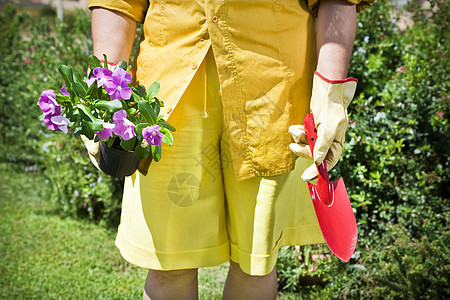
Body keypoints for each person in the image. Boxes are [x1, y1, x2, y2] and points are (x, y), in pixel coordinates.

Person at [86, 0, 373, 299]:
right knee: (168, 263)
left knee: (255, 263)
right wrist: (105, 87)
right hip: (166, 98)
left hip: (271, 93)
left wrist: (331, 91)